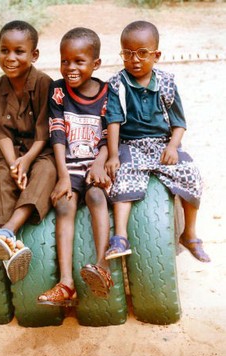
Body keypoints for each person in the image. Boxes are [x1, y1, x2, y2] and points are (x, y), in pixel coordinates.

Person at [104, 20, 210, 263]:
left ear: (156, 55)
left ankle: (190, 234)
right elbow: (113, 122)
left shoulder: (167, 83)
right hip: (130, 144)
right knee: (123, 178)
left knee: (191, 174)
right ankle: (120, 237)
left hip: (163, 143)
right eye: (127, 54)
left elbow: (179, 123)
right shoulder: (117, 84)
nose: (135, 60)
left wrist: (173, 146)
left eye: (142, 53)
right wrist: (112, 155)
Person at [37, 27, 113, 306]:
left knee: (95, 196)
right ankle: (66, 283)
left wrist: (100, 163)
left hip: (95, 165)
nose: (70, 67)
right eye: (64, 60)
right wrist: (63, 176)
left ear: (96, 64)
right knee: (65, 205)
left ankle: (102, 266)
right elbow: (56, 133)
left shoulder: (108, 93)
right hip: (69, 163)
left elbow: (110, 135)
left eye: (79, 61)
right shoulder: (57, 90)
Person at [0, 20, 57, 284]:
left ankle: (9, 230)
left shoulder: (45, 84)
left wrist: (27, 161)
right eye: (4, 50)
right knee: (0, 175)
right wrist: (15, 163)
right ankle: (9, 247)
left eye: (19, 51)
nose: (10, 57)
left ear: (34, 55)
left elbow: (44, 131)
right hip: (11, 151)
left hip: (41, 150)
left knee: (47, 172)